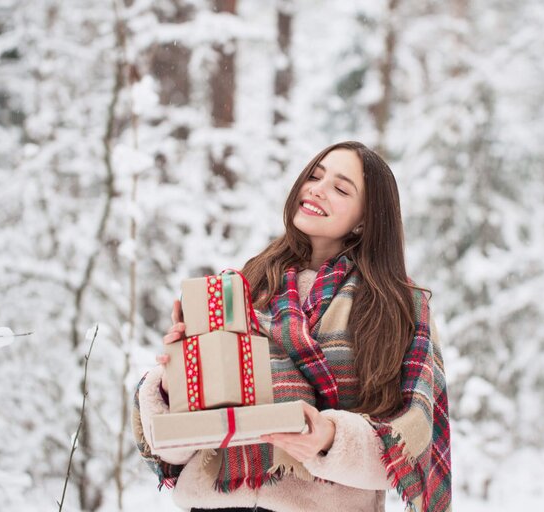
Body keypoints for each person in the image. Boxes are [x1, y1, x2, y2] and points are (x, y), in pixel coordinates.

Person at [132, 141, 452, 512]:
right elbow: (181, 445)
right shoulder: (241, 289)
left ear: (366, 218)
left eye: (340, 187)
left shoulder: (397, 308)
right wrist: (177, 383)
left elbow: (410, 445)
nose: (317, 188)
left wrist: (329, 439)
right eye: (315, 176)